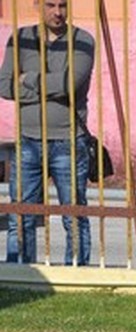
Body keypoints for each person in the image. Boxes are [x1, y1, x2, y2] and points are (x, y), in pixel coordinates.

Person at [0, 0, 94, 265]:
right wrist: (51, 89)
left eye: (63, 6)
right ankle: (21, 271)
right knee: (21, 215)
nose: (58, 12)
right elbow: (5, 87)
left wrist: (28, 79)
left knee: (73, 215)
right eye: (51, 5)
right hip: (28, 140)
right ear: (37, 5)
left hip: (69, 140)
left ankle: (77, 273)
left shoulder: (82, 41)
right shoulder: (21, 39)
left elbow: (68, 84)